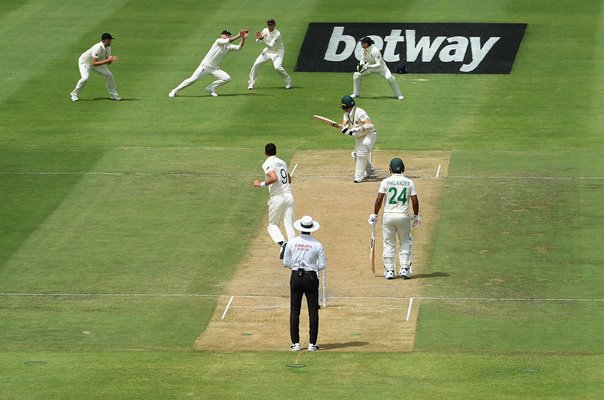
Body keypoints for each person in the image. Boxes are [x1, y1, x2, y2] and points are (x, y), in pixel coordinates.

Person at [368, 158, 420, 280]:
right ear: (403, 168)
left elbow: (379, 200)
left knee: (389, 243)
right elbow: (415, 201)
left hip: (388, 217)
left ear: (390, 169)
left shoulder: (385, 182)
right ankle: (404, 269)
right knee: (405, 242)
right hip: (403, 217)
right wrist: (416, 216)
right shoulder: (409, 182)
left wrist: (375, 214)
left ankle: (390, 270)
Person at [282, 215, 326, 352]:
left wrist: (296, 267)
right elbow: (322, 265)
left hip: (295, 276)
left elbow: (285, 262)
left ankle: (295, 343)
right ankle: (312, 344)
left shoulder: (292, 242)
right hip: (311, 277)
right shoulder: (317, 244)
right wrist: (311, 268)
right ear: (311, 228)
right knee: (313, 310)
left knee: (294, 310)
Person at [169, 28, 248, 98]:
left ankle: (210, 88)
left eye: (228, 35)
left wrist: (243, 38)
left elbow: (239, 47)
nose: (226, 36)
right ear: (221, 35)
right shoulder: (218, 41)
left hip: (214, 69)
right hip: (205, 66)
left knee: (227, 78)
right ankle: (174, 91)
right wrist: (238, 35)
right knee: (192, 80)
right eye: (225, 34)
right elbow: (228, 40)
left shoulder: (229, 46)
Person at [253, 143, 295, 259]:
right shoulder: (283, 162)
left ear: (265, 153)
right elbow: (289, 179)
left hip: (278, 197)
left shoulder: (267, 163)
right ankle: (293, 250)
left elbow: (274, 178)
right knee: (289, 224)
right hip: (289, 196)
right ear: (275, 151)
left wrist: (260, 184)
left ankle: (283, 243)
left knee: (272, 225)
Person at [70, 33, 121, 102]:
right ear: (106, 40)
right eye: (110, 40)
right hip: (85, 63)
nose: (111, 41)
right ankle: (74, 94)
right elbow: (94, 63)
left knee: (109, 75)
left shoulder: (108, 47)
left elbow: (107, 62)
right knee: (85, 78)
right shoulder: (97, 47)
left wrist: (111, 60)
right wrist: (108, 60)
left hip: (96, 63)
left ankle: (114, 95)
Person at [339, 95, 378, 183]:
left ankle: (358, 176)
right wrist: (344, 130)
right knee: (356, 155)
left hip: (369, 134)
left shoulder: (359, 112)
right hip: (360, 136)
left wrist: (358, 128)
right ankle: (371, 170)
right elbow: (344, 125)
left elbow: (370, 125)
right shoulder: (346, 114)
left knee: (361, 152)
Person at [352, 36, 404, 100]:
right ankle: (356, 93)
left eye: (362, 43)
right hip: (369, 67)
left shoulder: (375, 50)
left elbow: (379, 64)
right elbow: (362, 59)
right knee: (356, 76)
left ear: (366, 44)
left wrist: (367, 66)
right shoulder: (363, 49)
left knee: (390, 78)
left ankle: (398, 95)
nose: (361, 44)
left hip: (381, 68)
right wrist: (361, 66)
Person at [247, 19, 292, 90]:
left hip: (278, 51)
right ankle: (252, 83)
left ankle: (288, 80)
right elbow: (257, 42)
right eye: (268, 25)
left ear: (274, 25)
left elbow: (271, 46)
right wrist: (259, 39)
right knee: (256, 64)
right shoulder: (265, 30)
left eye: (271, 25)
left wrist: (262, 40)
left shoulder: (277, 34)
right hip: (268, 51)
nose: (269, 26)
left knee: (277, 67)